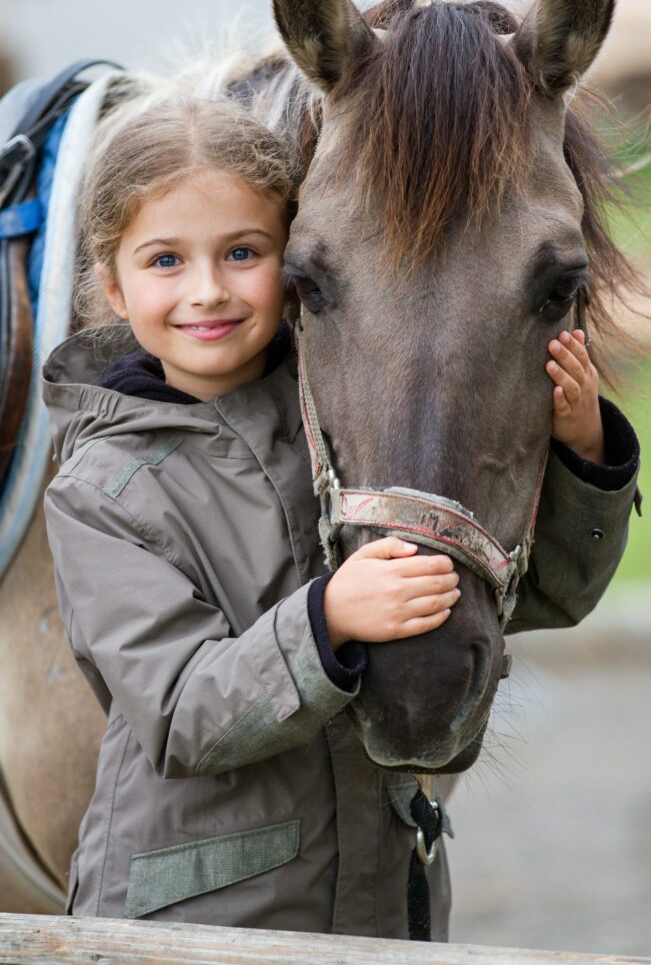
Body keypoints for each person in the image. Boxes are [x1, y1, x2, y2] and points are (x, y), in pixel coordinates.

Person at [42, 91, 640, 937]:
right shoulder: (99, 490)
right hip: (191, 931)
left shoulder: (342, 428)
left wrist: (582, 454)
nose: (207, 291)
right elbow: (177, 714)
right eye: (166, 261)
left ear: (290, 264)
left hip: (374, 909)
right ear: (112, 285)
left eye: (242, 252)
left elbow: (540, 596)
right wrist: (324, 622)